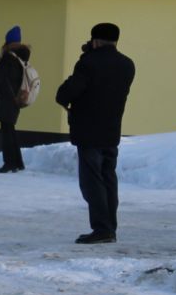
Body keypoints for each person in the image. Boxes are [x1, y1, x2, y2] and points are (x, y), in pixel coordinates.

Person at [54, 22, 133, 243]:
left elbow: (66, 93)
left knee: (92, 182)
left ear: (95, 40)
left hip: (88, 132)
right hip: (111, 130)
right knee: (109, 178)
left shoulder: (88, 63)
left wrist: (85, 59)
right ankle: (110, 226)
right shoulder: (127, 65)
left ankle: (101, 229)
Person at [0, 25, 32, 173]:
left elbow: (1, 78)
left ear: (7, 42)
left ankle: (10, 163)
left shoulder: (8, 58)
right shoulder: (20, 57)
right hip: (15, 97)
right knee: (10, 130)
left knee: (6, 131)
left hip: (7, 98)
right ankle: (18, 162)